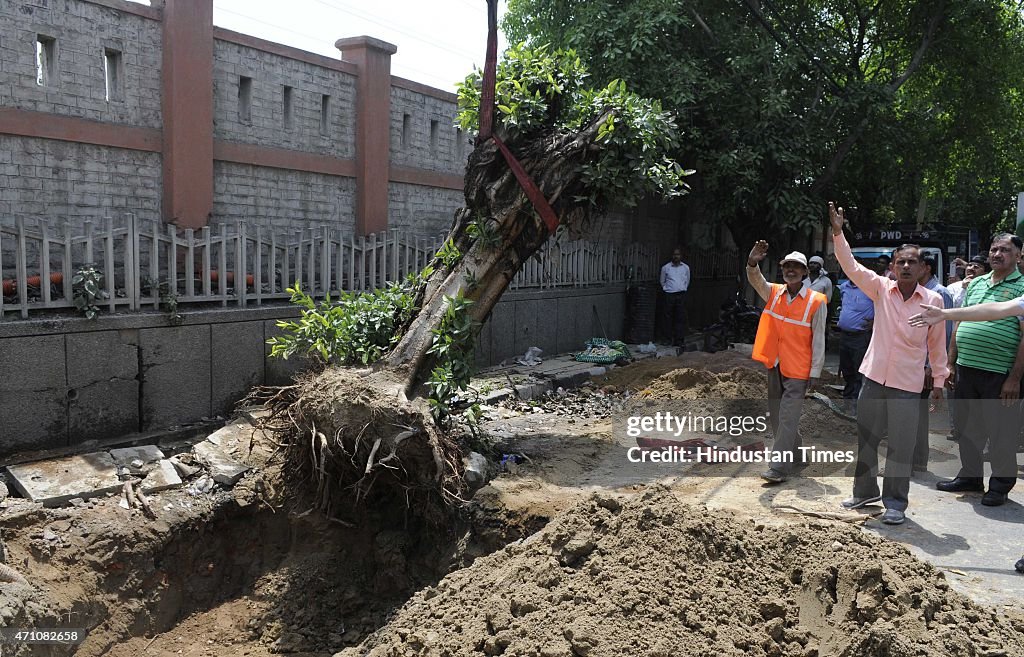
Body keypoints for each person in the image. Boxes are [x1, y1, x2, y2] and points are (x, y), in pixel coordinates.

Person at [829, 202, 948, 525]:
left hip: (907, 385)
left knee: (900, 445)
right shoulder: (881, 289)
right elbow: (851, 266)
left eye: (912, 261)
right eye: (901, 262)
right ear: (892, 267)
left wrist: (939, 381)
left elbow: (937, 346)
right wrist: (838, 233)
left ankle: (895, 502)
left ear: (923, 268)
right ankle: (864, 492)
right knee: (866, 438)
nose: (906, 266)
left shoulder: (933, 301)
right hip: (873, 379)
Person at [910, 234, 1024, 507]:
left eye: (1005, 250)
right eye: (994, 249)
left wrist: (1015, 378)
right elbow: (963, 321)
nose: (997, 254)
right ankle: (971, 476)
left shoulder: (1022, 286)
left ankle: (1000, 485)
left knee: (1001, 433)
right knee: (967, 428)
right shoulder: (976, 284)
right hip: (966, 369)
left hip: (1000, 373)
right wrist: (950, 363)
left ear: (1019, 256)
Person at [746, 241, 827, 484]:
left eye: (796, 267)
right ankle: (798, 453)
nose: (790, 270)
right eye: (787, 266)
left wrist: (816, 372)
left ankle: (779, 467)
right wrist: (752, 262)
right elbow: (756, 280)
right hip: (775, 364)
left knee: (788, 417)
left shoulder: (816, 301)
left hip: (799, 370)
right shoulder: (774, 292)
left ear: (805, 272)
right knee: (777, 415)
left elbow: (820, 338)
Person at [836, 273, 874, 413]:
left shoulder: (869, 288)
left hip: (861, 336)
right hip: (845, 336)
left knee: (859, 371)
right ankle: (847, 401)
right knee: (847, 370)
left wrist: (875, 321)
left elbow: (883, 305)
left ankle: (856, 405)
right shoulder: (844, 287)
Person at [660, 247, 690, 347]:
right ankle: (667, 339)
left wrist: (683, 288)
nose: (676, 256)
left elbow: (687, 280)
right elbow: (662, 281)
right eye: (674, 254)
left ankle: (679, 340)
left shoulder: (685, 268)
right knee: (667, 317)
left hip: (681, 295)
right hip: (669, 294)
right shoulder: (666, 268)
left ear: (681, 256)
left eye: (678, 254)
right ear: (671, 256)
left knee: (680, 317)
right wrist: (666, 289)